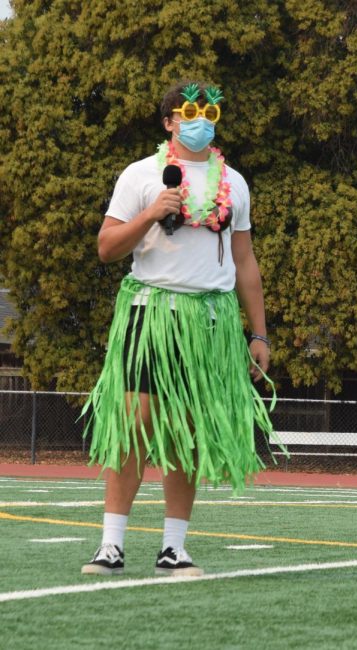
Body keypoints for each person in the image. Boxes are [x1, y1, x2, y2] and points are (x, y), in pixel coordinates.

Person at [80, 80, 274, 577]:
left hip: (209, 322)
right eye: (189, 111)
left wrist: (259, 333)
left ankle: (173, 547)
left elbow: (245, 261)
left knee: (187, 434)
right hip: (151, 312)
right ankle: (111, 545)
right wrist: (150, 212)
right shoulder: (142, 175)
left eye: (209, 110)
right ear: (168, 120)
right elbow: (106, 248)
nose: (200, 119)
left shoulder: (235, 182)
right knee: (134, 423)